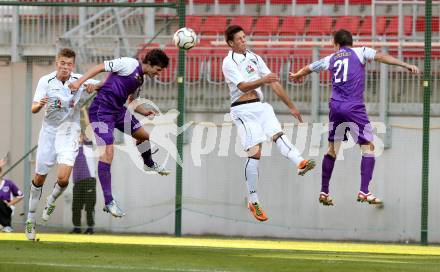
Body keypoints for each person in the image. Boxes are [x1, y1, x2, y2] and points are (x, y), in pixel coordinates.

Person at [289, 29, 419, 206]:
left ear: (336, 43)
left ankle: (324, 191)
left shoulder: (332, 58)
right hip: (354, 107)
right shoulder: (361, 51)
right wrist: (405, 65)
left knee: (332, 150)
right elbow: (381, 57)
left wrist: (296, 75)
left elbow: (309, 68)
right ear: (351, 41)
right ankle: (364, 191)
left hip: (335, 106)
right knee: (368, 147)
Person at [222, 25, 316, 222]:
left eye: (244, 37)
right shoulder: (228, 62)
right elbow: (242, 86)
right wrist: (263, 79)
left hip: (260, 106)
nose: (243, 41)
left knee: (278, 134)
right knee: (255, 152)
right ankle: (253, 200)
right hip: (242, 110)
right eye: (239, 39)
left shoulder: (255, 57)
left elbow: (273, 82)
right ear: (230, 43)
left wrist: (291, 106)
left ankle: (300, 162)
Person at [68, 49, 170, 218]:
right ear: (150, 64)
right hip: (101, 111)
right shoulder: (129, 64)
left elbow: (132, 102)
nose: (158, 74)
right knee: (108, 153)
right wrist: (79, 82)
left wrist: (146, 112)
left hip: (118, 111)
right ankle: (109, 202)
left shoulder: (140, 79)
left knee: (144, 136)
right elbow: (100, 67)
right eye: (158, 69)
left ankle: (149, 163)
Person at [25, 48, 99, 240]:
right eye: (62, 63)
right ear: (57, 63)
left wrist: (93, 87)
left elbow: (100, 84)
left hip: (69, 131)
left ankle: (51, 200)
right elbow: (33, 109)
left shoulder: (79, 79)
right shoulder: (46, 81)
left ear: (72, 65)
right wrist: (40, 104)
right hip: (49, 132)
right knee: (39, 179)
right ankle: (31, 220)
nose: (65, 67)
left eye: (69, 64)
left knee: (64, 179)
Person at [71, 107, 97, 235]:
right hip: (77, 181)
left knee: (89, 206)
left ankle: (90, 228)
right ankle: (77, 228)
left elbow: (88, 127)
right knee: (76, 206)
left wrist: (83, 110)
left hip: (89, 180)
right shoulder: (72, 150)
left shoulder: (87, 146)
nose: (79, 137)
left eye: (80, 135)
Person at [0, 159, 24, 232]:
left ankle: (6, 225)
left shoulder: (8, 183)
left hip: (7, 208)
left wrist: (10, 204)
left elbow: (20, 195)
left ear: (1, 173)